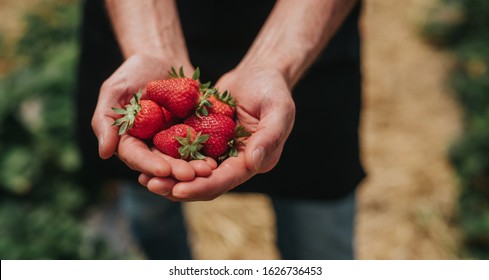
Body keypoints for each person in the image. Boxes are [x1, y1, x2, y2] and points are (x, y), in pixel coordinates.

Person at [76, 0, 365, 260]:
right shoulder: (154, 98)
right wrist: (152, 49)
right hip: (140, 25)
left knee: (319, 241)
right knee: (151, 215)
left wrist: (275, 63)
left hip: (302, 36)